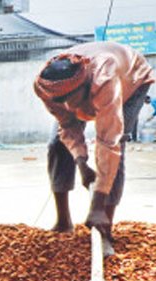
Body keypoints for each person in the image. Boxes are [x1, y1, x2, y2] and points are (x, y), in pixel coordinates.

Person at [34, 41, 155, 256]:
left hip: (132, 80)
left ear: (85, 86)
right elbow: (68, 126)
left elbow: (108, 142)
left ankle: (104, 227)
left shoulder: (104, 80)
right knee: (56, 144)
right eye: (62, 102)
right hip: (88, 84)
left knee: (117, 147)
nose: (69, 108)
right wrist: (82, 164)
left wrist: (97, 203)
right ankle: (63, 221)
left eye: (71, 100)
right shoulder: (46, 87)